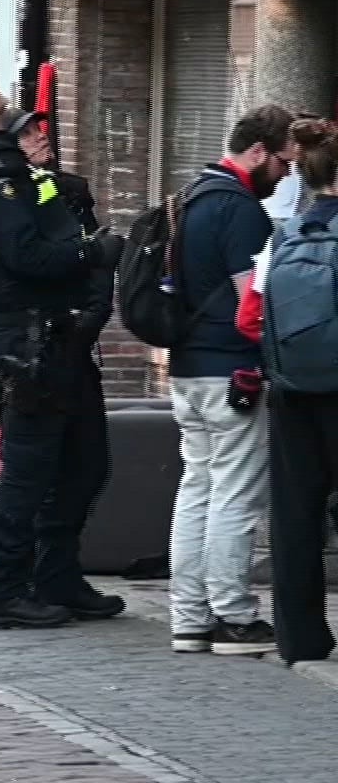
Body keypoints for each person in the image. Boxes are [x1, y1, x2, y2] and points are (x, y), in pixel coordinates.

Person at [0, 62, 125, 630]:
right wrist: (94, 252)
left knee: (84, 463)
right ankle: (4, 592)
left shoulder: (11, 168)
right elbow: (26, 257)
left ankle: (56, 576)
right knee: (31, 471)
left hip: (60, 335)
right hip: (33, 339)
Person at [163, 104, 296, 655]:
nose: (287, 174)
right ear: (259, 152)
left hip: (190, 368)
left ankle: (188, 617)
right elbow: (253, 302)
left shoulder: (189, 197)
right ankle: (235, 617)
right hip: (233, 372)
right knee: (236, 496)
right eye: (284, 163)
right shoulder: (238, 210)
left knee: (197, 490)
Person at [241, 118, 338, 664]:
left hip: (292, 391)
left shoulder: (283, 239)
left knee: (296, 513)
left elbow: (249, 318)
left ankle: (299, 635)